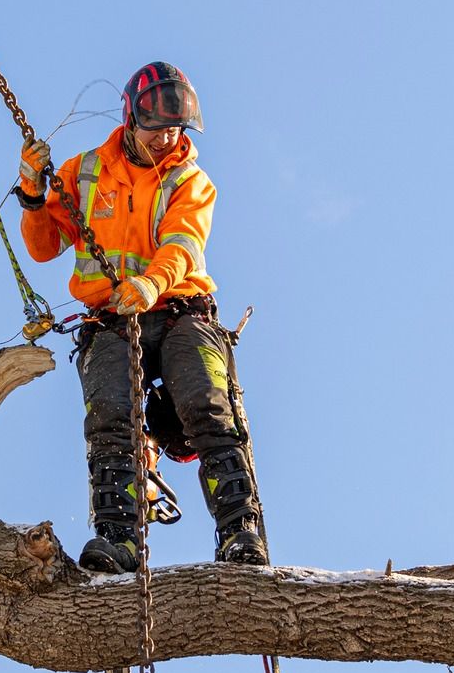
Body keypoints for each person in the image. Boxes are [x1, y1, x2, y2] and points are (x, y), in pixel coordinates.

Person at [16, 61, 267, 573]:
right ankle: (118, 538)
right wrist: (33, 192)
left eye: (175, 129)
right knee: (111, 419)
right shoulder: (84, 172)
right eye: (157, 128)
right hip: (110, 319)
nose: (166, 138)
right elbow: (44, 248)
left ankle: (240, 531)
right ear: (131, 119)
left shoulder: (188, 180)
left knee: (206, 405)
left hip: (180, 310)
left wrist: (152, 282)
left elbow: (183, 245)